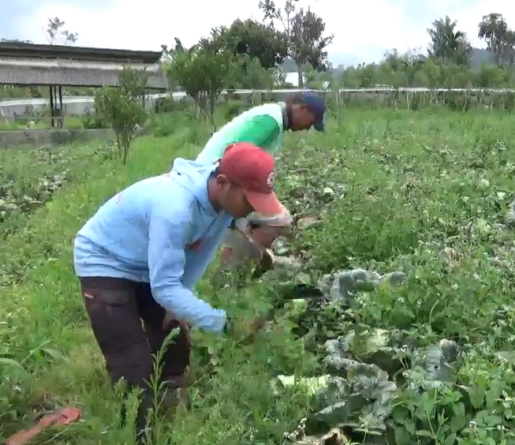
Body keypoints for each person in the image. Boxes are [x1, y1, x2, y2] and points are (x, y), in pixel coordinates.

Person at [73, 142, 282, 443]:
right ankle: (140, 432)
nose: (253, 208)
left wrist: (180, 301)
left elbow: (198, 254)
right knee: (134, 365)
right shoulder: (175, 209)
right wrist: (221, 322)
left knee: (174, 337)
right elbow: (164, 287)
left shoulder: (222, 205)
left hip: (145, 260)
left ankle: (170, 398)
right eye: (249, 199)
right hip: (104, 260)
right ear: (222, 182)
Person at [194, 92, 326, 274]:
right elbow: (236, 156)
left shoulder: (274, 118)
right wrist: (232, 207)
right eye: (311, 121)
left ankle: (234, 262)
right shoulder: (270, 121)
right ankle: (232, 269)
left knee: (266, 218)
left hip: (221, 177)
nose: (308, 127)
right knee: (281, 220)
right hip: (218, 177)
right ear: (302, 108)